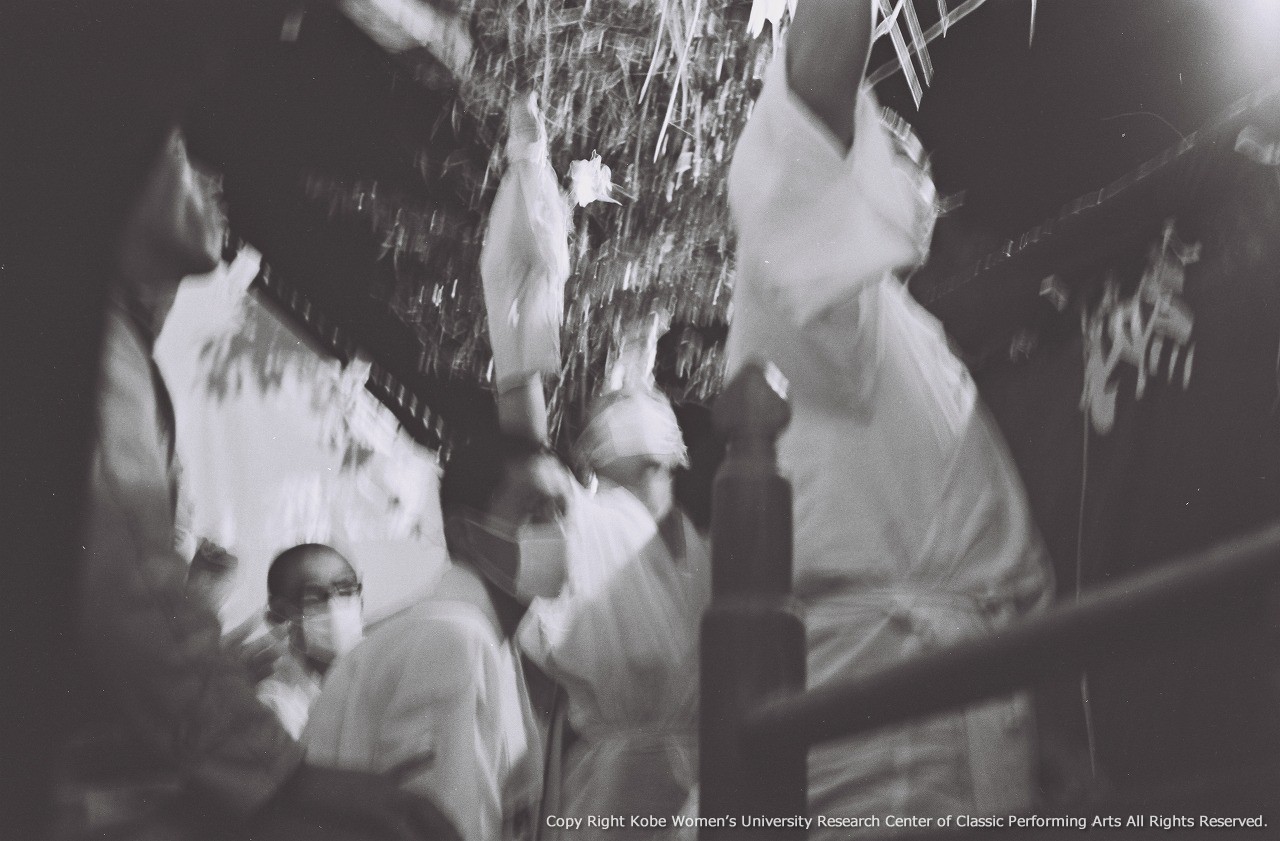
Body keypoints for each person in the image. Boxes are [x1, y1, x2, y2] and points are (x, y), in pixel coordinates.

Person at [57, 126, 460, 841]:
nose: (209, 181)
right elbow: (127, 586)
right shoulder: (89, 348)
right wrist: (278, 780)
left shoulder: (118, 347)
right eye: (177, 153)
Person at [723, 0, 1055, 834]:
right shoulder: (825, 305)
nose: (909, 169)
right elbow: (814, 95)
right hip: (884, 723)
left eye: (916, 160)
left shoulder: (916, 335)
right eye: (884, 146)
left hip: (962, 702)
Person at [304, 433, 580, 841]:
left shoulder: (488, 641)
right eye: (535, 512)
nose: (558, 531)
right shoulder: (453, 639)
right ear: (465, 533)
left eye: (563, 511)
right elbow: (452, 823)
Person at [518, 386, 711, 840]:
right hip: (613, 783)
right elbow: (527, 451)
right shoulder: (587, 522)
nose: (660, 474)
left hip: (691, 782)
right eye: (651, 465)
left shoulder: (692, 543)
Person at [256, 544, 365, 739]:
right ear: (279, 617)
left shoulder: (379, 674)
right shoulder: (276, 706)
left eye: (346, 590)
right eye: (315, 599)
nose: (336, 607)